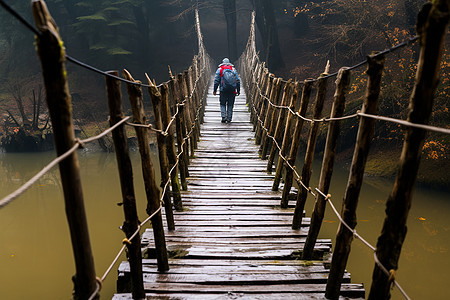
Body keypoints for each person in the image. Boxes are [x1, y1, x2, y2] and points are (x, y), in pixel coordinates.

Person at [213, 58, 240, 123]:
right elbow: (238, 80)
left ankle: (223, 117)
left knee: (222, 104)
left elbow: (216, 81)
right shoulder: (233, 69)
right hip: (232, 90)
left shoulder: (220, 70)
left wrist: (215, 90)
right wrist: (238, 90)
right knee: (230, 104)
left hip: (223, 90)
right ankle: (229, 118)